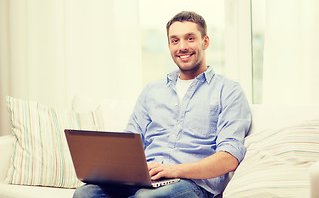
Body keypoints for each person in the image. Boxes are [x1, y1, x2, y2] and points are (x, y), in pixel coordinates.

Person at [73, 11, 251, 198]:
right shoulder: (152, 91)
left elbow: (229, 158)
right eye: (175, 40)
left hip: (192, 185)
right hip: (144, 180)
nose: (182, 46)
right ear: (169, 45)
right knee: (86, 194)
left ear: (205, 42)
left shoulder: (229, 90)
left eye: (190, 38)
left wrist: (174, 170)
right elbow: (130, 140)